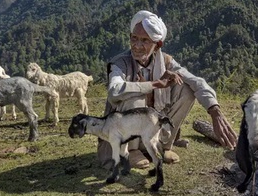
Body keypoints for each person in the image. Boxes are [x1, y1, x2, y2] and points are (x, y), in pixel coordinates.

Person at [98, 10, 237, 169]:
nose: (137, 46)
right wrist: (156, 83)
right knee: (133, 93)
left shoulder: (166, 61)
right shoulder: (120, 63)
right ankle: (132, 150)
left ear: (157, 45)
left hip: (153, 131)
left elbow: (196, 81)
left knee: (186, 89)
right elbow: (115, 91)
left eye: (144, 41)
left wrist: (214, 110)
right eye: (134, 38)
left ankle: (164, 146)